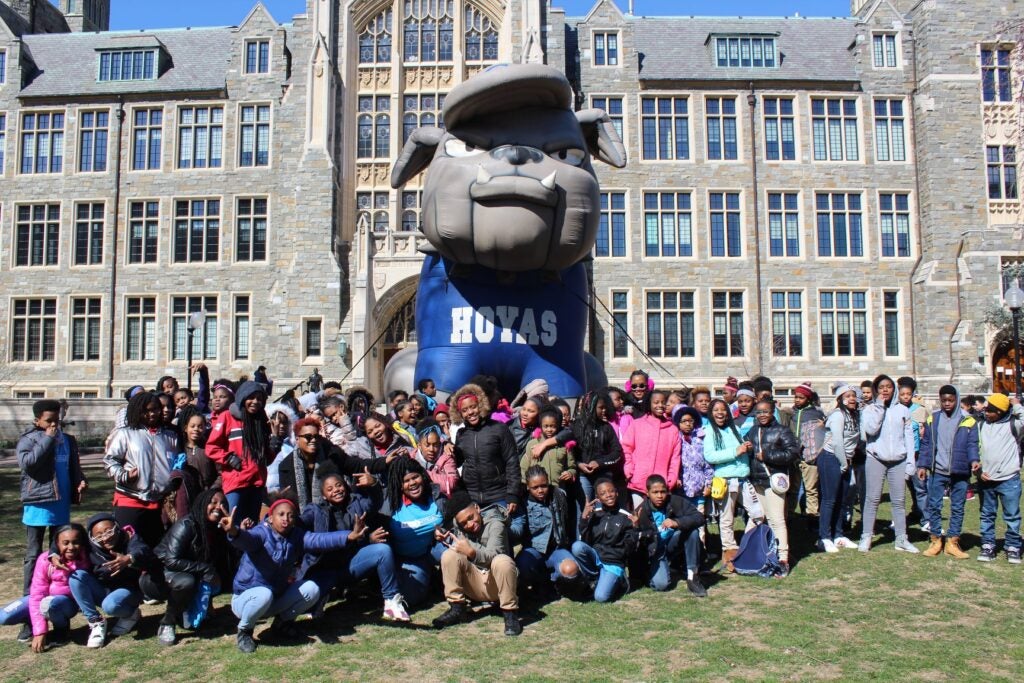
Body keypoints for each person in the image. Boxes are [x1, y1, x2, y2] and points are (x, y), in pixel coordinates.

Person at [225, 498, 352, 653]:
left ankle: (281, 624)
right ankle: (245, 631)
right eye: (281, 514)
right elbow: (247, 540)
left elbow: (319, 539)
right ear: (271, 518)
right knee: (264, 594)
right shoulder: (261, 533)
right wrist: (234, 531)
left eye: (291, 515)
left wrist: (349, 536)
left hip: (274, 597)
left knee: (311, 589)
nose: (286, 518)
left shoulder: (296, 536)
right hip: (246, 600)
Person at [299, 468, 410, 622]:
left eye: (339, 485)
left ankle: (391, 602)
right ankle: (320, 599)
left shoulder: (356, 503)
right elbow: (301, 521)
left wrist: (374, 485)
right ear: (324, 495)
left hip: (351, 565)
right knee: (308, 607)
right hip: (324, 570)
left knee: (382, 550)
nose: (336, 490)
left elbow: (374, 502)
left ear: (345, 486)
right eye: (330, 489)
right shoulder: (316, 510)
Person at [16, 399, 87, 629]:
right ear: (37, 420)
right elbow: (29, 464)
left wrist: (79, 481)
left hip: (61, 504)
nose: (54, 425)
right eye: (48, 421)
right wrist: (47, 438)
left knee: (60, 555)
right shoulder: (29, 439)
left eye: (57, 420)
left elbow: (73, 467)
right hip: (38, 504)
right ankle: (30, 609)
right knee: (35, 555)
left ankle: (57, 604)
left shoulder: (67, 440)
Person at [432, 490, 521, 636]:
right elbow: (450, 526)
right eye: (464, 523)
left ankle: (510, 614)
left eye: (471, 517)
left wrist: (471, 552)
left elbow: (494, 554)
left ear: (477, 508)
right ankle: (457, 608)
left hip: (497, 584)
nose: (470, 524)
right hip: (475, 583)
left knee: (502, 561)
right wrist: (440, 532)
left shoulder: (496, 524)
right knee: (449, 555)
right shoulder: (459, 524)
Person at [154, 488, 235, 645]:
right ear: (203, 503)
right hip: (162, 573)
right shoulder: (187, 524)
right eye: (214, 503)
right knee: (187, 581)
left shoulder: (217, 528)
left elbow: (223, 561)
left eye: (223, 503)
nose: (218, 507)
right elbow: (171, 560)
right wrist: (205, 569)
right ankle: (167, 623)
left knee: (222, 576)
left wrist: (235, 531)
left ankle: (196, 609)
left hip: (189, 571)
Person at [70, 513, 165, 648]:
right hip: (104, 589)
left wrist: (129, 558)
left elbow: (142, 549)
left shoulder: (129, 537)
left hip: (128, 590)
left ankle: (131, 614)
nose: (106, 537)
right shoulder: (90, 546)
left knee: (110, 606)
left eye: (109, 531)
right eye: (99, 535)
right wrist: (54, 552)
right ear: (92, 537)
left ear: (117, 528)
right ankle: (95, 622)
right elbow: (67, 536)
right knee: (77, 577)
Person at [104, 391, 177, 548]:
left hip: (159, 502)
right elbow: (110, 461)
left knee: (154, 548)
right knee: (127, 546)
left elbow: (176, 463)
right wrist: (124, 475)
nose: (153, 414)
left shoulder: (170, 436)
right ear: (138, 411)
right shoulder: (126, 434)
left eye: (156, 409)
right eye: (148, 410)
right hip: (130, 499)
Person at [0, 524, 88, 652]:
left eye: (76, 543)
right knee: (4, 616)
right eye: (65, 543)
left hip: (65, 604)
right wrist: (39, 632)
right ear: (57, 543)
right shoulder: (45, 559)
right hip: (42, 599)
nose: (71, 547)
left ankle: (61, 630)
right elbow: (36, 595)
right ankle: (33, 622)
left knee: (49, 604)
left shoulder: (87, 559)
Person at [859, 375, 918, 553]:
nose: (885, 390)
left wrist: (910, 463)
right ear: (876, 390)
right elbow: (870, 430)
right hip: (876, 458)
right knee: (872, 499)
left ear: (894, 389)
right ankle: (866, 536)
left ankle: (901, 538)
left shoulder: (903, 411)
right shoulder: (869, 409)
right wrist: (879, 408)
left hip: (898, 460)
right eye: (881, 387)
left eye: (889, 387)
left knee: (899, 501)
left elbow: (908, 438)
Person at [917, 385, 978, 559]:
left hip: (960, 471)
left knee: (958, 506)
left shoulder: (968, 420)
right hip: (938, 470)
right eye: (944, 400)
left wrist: (974, 460)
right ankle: (936, 540)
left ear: (957, 400)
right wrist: (922, 465)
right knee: (935, 505)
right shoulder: (933, 419)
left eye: (951, 400)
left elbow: (972, 444)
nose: (947, 404)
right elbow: (927, 444)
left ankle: (952, 541)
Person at [745, 399, 801, 576]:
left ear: (772, 412)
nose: (762, 415)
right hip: (757, 481)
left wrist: (768, 455)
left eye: (766, 412)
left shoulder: (782, 431)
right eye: (759, 412)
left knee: (777, 519)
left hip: (774, 481)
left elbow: (792, 453)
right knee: (758, 517)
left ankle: (783, 558)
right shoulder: (752, 431)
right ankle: (752, 553)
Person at [206, 381, 272, 526]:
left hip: (256, 483)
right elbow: (211, 447)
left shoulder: (261, 420)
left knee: (251, 526)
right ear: (242, 397)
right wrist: (228, 458)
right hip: (236, 482)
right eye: (251, 397)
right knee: (232, 525)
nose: (255, 402)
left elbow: (266, 459)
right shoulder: (227, 417)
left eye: (259, 399)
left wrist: (275, 445)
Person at [449, 384, 521, 513]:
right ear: (460, 414)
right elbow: (458, 461)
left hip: (499, 495)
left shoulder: (499, 429)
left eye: (473, 407)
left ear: (480, 405)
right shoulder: (461, 434)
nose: (470, 412)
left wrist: (513, 494)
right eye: (465, 410)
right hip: (472, 497)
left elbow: (512, 461)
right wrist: (448, 447)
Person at [385, 458, 447, 607]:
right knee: (411, 598)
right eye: (406, 481)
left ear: (423, 476)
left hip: (432, 549)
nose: (412, 483)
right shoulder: (391, 505)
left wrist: (443, 531)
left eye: (415, 477)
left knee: (454, 553)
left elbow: (449, 523)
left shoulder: (435, 496)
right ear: (399, 485)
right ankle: (432, 577)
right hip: (408, 559)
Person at [510, 466, 580, 597]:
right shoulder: (523, 504)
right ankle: (539, 582)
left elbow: (568, 522)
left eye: (544, 485)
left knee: (571, 569)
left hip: (556, 549)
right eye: (535, 488)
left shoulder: (559, 497)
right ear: (528, 487)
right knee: (521, 566)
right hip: (534, 550)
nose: (540, 490)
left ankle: (554, 582)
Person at [635, 475, 706, 596]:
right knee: (661, 585)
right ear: (647, 493)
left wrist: (677, 522)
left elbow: (699, 517)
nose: (659, 496)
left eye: (663, 492)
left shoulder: (675, 501)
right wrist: (635, 527)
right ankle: (655, 571)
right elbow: (637, 543)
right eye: (655, 492)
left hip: (673, 543)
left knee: (692, 531)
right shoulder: (641, 511)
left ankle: (692, 576)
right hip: (656, 551)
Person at [702, 398, 752, 571]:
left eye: (723, 409)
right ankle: (729, 551)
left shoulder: (735, 429)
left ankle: (747, 544)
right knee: (727, 519)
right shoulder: (709, 431)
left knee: (758, 513)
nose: (720, 413)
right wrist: (735, 451)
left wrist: (746, 447)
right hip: (725, 480)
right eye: (716, 410)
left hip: (744, 479)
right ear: (710, 413)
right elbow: (710, 456)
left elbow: (741, 452)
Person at [572, 478, 639, 603]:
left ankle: (619, 581)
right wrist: (584, 519)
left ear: (617, 493)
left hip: (613, 562)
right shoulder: (595, 514)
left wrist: (635, 528)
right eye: (603, 493)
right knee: (577, 546)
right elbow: (585, 539)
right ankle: (595, 578)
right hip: (597, 557)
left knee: (600, 597)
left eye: (611, 491)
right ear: (597, 497)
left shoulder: (625, 516)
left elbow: (629, 547)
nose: (608, 495)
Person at [976, 393, 1023, 563]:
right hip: (986, 479)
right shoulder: (981, 424)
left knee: (1011, 515)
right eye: (986, 409)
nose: (986, 412)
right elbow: (975, 449)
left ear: (1001, 412)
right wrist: (978, 471)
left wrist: (1017, 405)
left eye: (990, 410)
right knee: (987, 514)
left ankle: (1013, 546)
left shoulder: (1013, 424)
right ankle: (988, 545)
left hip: (1009, 479)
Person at [621, 389, 681, 508]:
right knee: (640, 518)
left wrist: (671, 480)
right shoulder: (637, 425)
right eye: (656, 402)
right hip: (639, 481)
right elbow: (627, 448)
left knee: (659, 520)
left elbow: (675, 458)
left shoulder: (672, 430)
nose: (660, 405)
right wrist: (629, 471)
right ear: (649, 404)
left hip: (661, 485)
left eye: (663, 402)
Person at [818, 386, 859, 552]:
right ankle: (824, 537)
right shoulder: (837, 415)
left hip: (846, 460)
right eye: (848, 396)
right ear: (840, 399)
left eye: (854, 396)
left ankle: (838, 535)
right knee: (829, 499)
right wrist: (843, 463)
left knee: (842, 499)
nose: (852, 399)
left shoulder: (854, 415)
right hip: (831, 458)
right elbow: (837, 442)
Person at [897, 376, 929, 528]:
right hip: (899, 456)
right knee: (904, 489)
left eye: (908, 394)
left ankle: (926, 519)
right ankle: (910, 515)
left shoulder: (920, 411)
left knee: (920, 487)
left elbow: (924, 433)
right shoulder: (894, 410)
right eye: (902, 394)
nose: (905, 397)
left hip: (916, 455)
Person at [790, 383, 824, 519]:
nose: (797, 400)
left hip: (810, 457)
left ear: (808, 399)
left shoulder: (816, 413)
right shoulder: (792, 413)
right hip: (794, 456)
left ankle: (812, 516)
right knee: (793, 489)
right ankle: (790, 515)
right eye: (796, 397)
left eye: (801, 397)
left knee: (811, 489)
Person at [522, 407, 577, 490]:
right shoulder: (532, 444)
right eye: (546, 426)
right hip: (537, 491)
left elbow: (572, 467)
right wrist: (526, 487)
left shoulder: (565, 445)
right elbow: (524, 468)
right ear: (540, 426)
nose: (549, 430)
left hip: (558, 490)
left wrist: (570, 473)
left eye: (553, 426)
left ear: (558, 426)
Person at [675, 406, 713, 513]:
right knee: (685, 514)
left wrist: (708, 484)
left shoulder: (700, 439)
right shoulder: (676, 440)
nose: (688, 424)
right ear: (678, 423)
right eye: (684, 421)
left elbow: (707, 465)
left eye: (690, 421)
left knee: (699, 514)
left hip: (699, 487)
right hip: (682, 488)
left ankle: (701, 530)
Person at [412, 419, 459, 497]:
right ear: (419, 445)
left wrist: (422, 473)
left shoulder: (447, 456)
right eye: (427, 445)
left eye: (435, 445)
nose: (431, 449)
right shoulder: (411, 458)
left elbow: (451, 483)